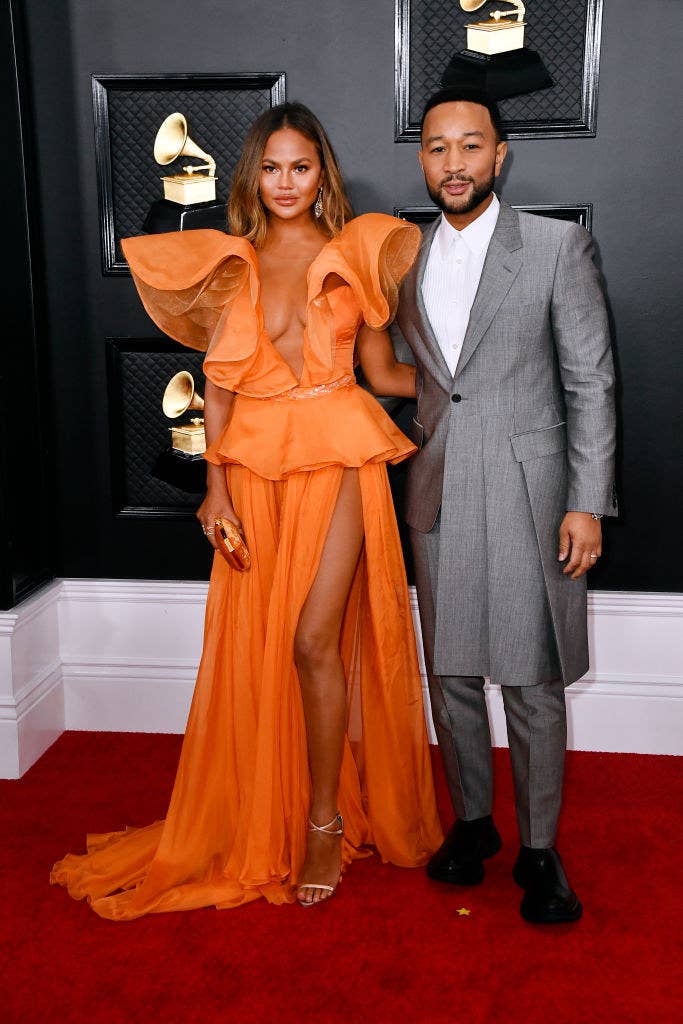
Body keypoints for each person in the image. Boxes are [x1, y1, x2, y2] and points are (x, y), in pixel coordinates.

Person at [51, 102, 443, 917]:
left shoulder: (352, 254)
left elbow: (382, 372)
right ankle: (270, 806)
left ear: (321, 173)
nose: (286, 182)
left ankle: (323, 822)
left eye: (301, 166)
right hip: (253, 472)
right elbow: (219, 392)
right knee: (263, 640)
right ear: (251, 178)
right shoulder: (232, 263)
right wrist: (214, 487)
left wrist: (476, 385)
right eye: (272, 168)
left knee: (312, 638)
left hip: (337, 455)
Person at [392, 88, 617, 924]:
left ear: (499, 154)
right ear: (424, 160)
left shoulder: (558, 247)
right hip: (437, 482)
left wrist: (586, 502)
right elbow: (405, 373)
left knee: (530, 675)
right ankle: (475, 825)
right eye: (436, 148)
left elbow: (589, 380)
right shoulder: (399, 258)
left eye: (469, 146)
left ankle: (539, 849)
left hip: (533, 488)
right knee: (449, 671)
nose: (452, 163)